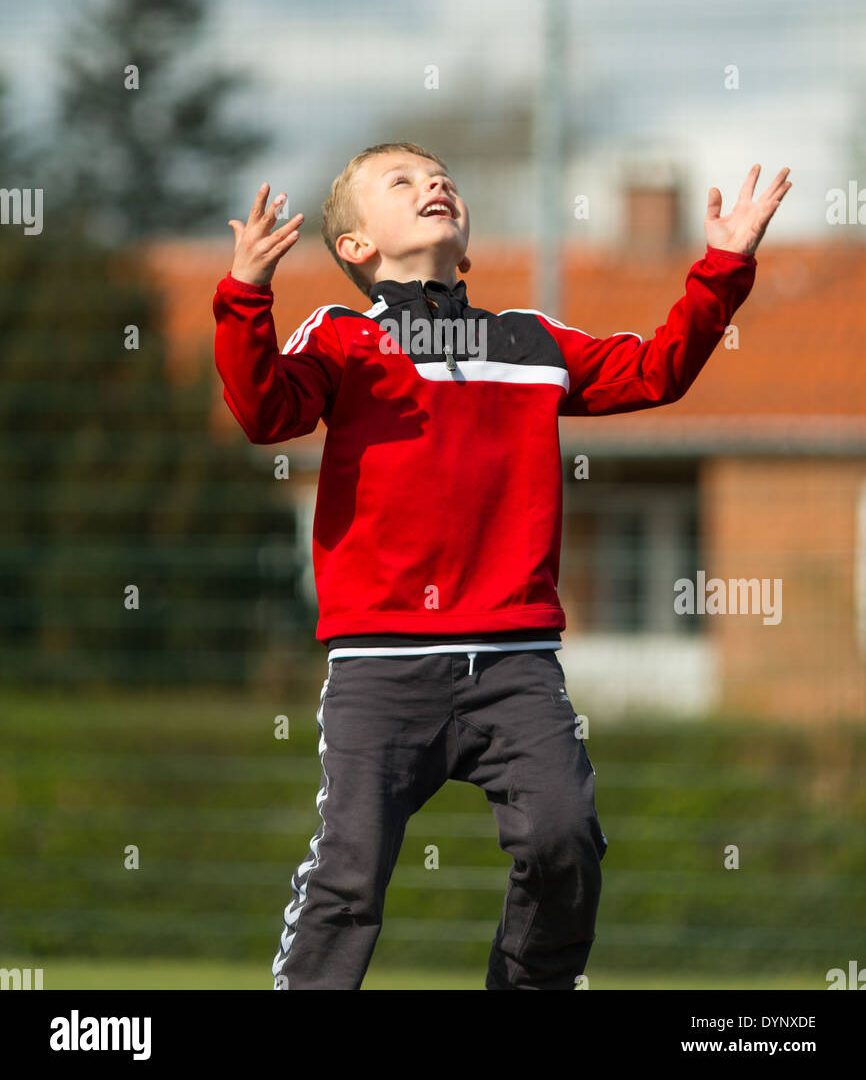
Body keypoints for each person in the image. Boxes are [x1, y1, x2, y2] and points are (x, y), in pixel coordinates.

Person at [212, 141, 791, 990]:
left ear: (469, 244)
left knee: (565, 840)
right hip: (380, 664)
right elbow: (264, 412)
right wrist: (245, 294)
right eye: (401, 182)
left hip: (516, 665)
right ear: (355, 248)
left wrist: (724, 267)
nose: (434, 184)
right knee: (350, 875)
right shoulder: (340, 340)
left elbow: (658, 370)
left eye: (442, 176)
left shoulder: (529, 340)